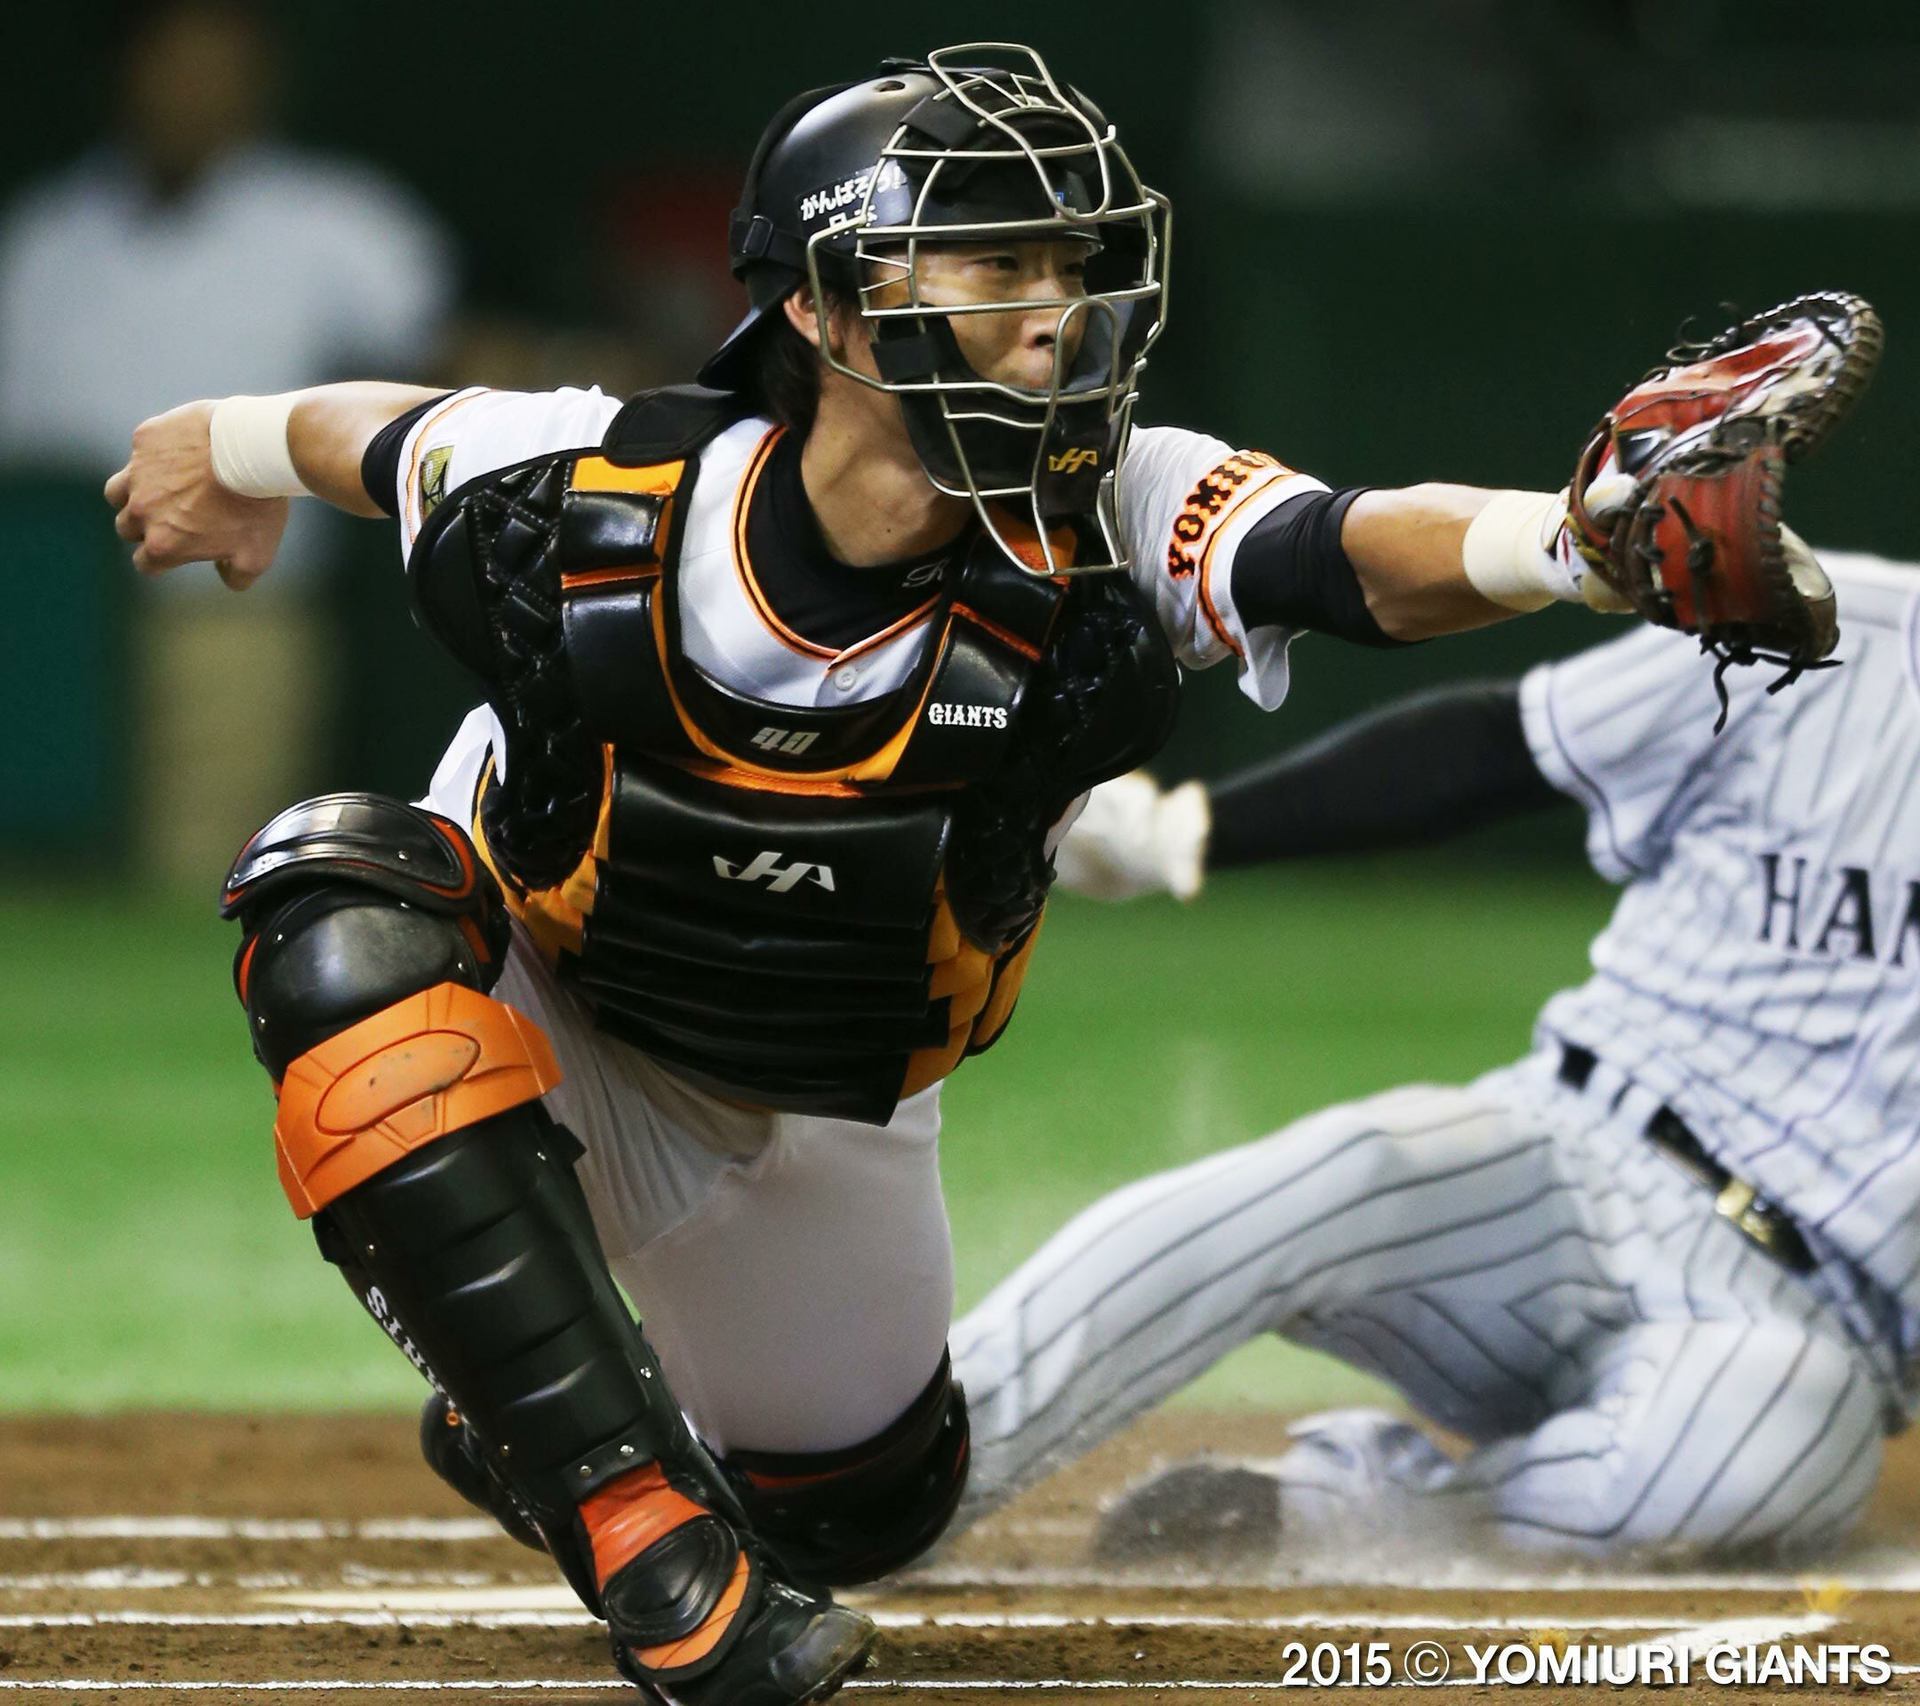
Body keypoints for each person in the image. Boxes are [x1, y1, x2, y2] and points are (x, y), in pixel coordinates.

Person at [106, 42, 1744, 1704]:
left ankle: (545, 1399)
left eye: (1062, 260)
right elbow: (373, 438)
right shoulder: (609, 490)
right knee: (334, 924)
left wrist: (1576, 543)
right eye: (988, 257)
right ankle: (644, 1540)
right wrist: (221, 444)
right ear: (819, 308)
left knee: (861, 1511)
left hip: (824, 1096)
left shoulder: (1108, 513)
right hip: (557, 1013)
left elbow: (1352, 557)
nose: (1051, 306)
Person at [952, 550, 1919, 1563]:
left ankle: (1372, 1510)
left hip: (1801, 1323)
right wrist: (1183, 831)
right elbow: (1507, 743)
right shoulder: (1823, 635)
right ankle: (914, 1469)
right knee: (1341, 1173)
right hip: (1578, 1156)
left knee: (1755, 1451)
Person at [0, 0, 453, 884]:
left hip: (233, 612)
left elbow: (432, 371)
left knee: (207, 882)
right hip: (50, 617)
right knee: (40, 887)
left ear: (260, 76)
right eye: (168, 61)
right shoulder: (45, 235)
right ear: (124, 74)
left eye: (216, 62)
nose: (189, 87)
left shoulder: (338, 222)